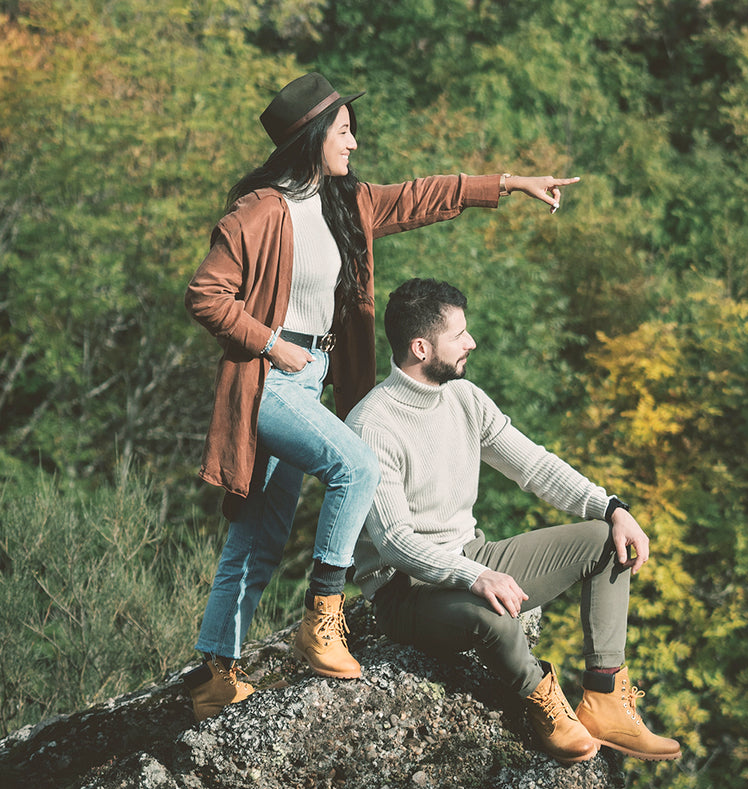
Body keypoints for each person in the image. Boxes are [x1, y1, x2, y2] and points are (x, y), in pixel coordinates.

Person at [181, 72, 581, 721]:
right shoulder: (257, 210)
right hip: (270, 380)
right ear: (310, 138)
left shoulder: (346, 204)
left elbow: (423, 196)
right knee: (357, 464)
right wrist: (272, 344)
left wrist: (508, 184)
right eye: (343, 130)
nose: (354, 142)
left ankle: (215, 675)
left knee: (261, 533)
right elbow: (206, 294)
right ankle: (324, 614)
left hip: (312, 379)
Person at [345, 278, 681, 764]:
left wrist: (612, 507)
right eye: (459, 335)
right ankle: (540, 702)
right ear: (421, 347)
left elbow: (534, 466)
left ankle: (604, 699)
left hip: (472, 557)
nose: (471, 343)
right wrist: (475, 575)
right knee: (497, 619)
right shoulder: (372, 425)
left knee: (606, 541)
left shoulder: (464, 398)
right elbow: (395, 541)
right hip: (408, 593)